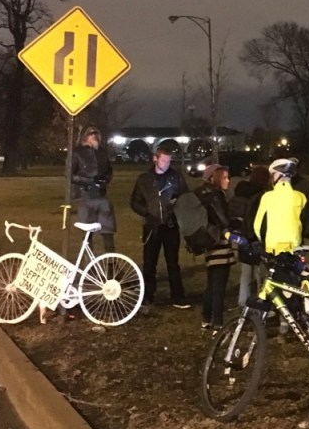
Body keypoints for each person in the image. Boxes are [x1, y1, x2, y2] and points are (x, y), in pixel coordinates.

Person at [129, 144, 190, 309]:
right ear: (155, 159)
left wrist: (176, 205)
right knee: (149, 263)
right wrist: (147, 212)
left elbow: (186, 197)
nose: (167, 164)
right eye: (164, 161)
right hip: (152, 226)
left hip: (170, 225)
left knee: (173, 263)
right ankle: (148, 295)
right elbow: (134, 201)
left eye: (169, 161)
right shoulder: (144, 179)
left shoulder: (176, 177)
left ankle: (178, 297)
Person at [195, 164, 236, 331]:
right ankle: (218, 323)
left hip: (209, 243)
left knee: (211, 284)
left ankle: (206, 318)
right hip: (220, 244)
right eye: (224, 177)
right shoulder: (216, 195)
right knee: (219, 285)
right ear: (215, 178)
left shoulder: (204, 194)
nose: (228, 180)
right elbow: (224, 220)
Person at [230, 165, 271, 306]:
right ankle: (261, 301)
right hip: (255, 236)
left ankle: (243, 300)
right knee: (263, 271)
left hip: (242, 235)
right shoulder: (261, 195)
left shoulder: (241, 190)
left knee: (246, 270)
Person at [70, 125, 116, 252]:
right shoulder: (77, 153)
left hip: (101, 195)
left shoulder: (102, 153)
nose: (94, 136)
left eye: (96, 133)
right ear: (85, 137)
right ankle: (89, 262)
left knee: (108, 231)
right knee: (87, 234)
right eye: (91, 134)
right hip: (85, 197)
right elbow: (70, 175)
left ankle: (111, 261)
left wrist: (104, 181)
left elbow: (109, 171)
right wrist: (89, 181)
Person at [254, 158, 307, 255]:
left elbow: (258, 226)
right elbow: (306, 222)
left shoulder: (267, 197)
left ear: (277, 175)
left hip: (273, 249)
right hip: (295, 247)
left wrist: (262, 241)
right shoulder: (301, 197)